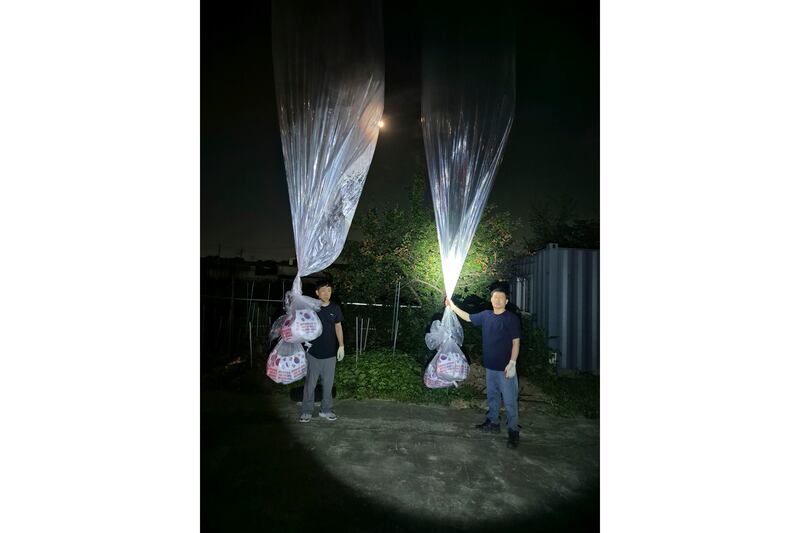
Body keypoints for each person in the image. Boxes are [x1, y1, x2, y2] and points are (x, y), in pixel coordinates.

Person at [446, 287, 521, 449]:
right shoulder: (486, 315)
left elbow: (516, 342)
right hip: (490, 367)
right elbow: (467, 317)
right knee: (493, 397)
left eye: (501, 298)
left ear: (506, 301)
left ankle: (513, 431)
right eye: (495, 297)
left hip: (506, 368)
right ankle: (493, 422)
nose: (498, 300)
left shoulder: (511, 319)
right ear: (491, 300)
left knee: (509, 401)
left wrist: (513, 363)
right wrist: (452, 306)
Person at [300, 280, 345, 423]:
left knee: (328, 384)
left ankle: (326, 410)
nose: (327, 293)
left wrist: (341, 345)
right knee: (310, 384)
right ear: (317, 293)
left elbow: (338, 327)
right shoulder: (311, 308)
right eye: (323, 290)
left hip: (330, 354)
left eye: (329, 290)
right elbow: (302, 324)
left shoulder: (335, 308)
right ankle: (307, 411)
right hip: (312, 353)